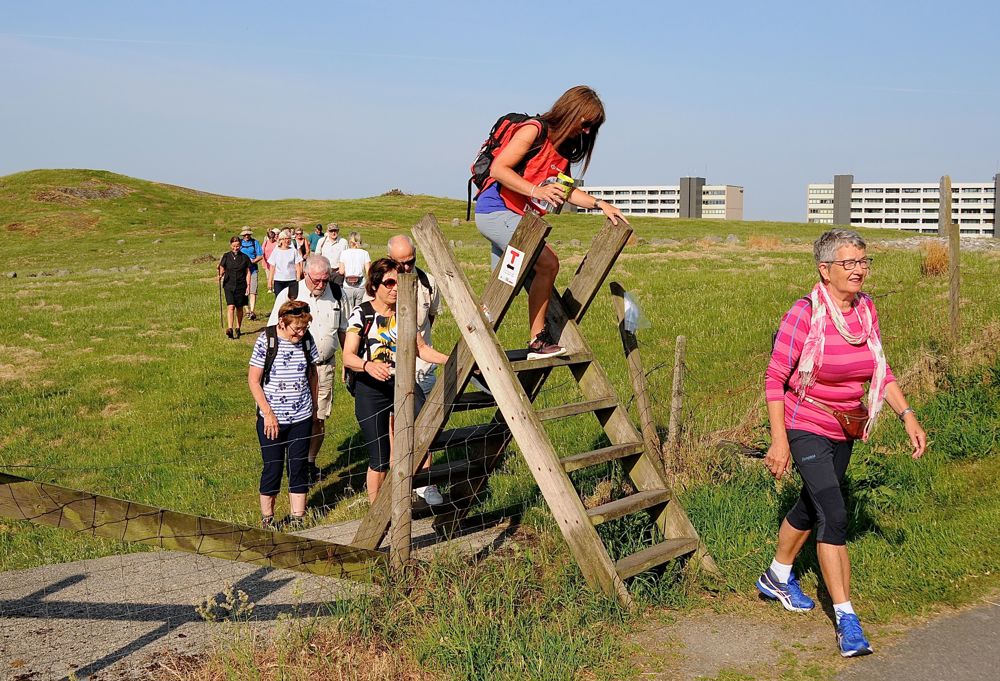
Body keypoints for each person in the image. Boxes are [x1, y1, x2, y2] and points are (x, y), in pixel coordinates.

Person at [761, 228, 927, 658]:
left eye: (863, 261)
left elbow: (880, 370)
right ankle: (847, 620)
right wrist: (779, 440)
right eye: (849, 263)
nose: (858, 270)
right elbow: (775, 377)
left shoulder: (866, 310)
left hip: (845, 427)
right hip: (805, 422)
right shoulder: (804, 313)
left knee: (814, 502)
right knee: (834, 512)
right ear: (825, 270)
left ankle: (777, 575)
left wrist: (906, 414)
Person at [474, 85, 628, 360]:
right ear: (571, 111)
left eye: (594, 127)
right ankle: (538, 340)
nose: (588, 132)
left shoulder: (562, 151)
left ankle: (476, 358)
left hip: (522, 222)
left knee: (502, 288)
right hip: (496, 211)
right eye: (586, 123)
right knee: (548, 263)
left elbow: (566, 190)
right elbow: (499, 168)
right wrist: (536, 191)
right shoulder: (534, 130)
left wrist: (599, 204)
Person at [342, 258, 449, 504]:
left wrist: (450, 359)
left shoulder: (406, 312)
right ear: (375, 285)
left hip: (403, 384)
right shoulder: (362, 313)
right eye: (389, 282)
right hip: (370, 389)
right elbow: (348, 356)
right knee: (379, 457)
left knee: (423, 431)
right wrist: (368, 366)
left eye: (398, 282)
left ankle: (425, 486)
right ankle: (377, 511)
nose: (395, 288)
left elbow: (421, 348)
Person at [269, 255, 347, 486]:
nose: (321, 285)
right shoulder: (290, 294)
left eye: (325, 279)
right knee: (291, 419)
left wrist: (348, 362)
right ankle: (291, 462)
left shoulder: (337, 293)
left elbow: (343, 330)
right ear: (305, 274)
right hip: (292, 369)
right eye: (316, 280)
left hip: (324, 367)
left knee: (318, 417)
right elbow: (273, 329)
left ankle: (309, 464)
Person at [248, 299, 319, 529]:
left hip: (301, 416)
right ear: (282, 322)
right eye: (296, 328)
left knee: (298, 467)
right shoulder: (266, 341)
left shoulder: (307, 340)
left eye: (304, 328)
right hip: (272, 419)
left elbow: (313, 374)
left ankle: (298, 519)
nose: (301, 332)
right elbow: (254, 381)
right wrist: (268, 414)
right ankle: (268, 520)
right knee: (273, 467)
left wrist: (314, 407)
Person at [218, 236, 252, 339]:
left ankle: (238, 327)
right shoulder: (226, 256)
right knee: (231, 306)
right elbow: (222, 267)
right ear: (230, 245)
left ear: (240, 246)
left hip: (241, 285)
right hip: (229, 285)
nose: (235, 248)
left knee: (239, 307)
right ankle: (230, 329)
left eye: (237, 246)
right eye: (233, 246)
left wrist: (248, 285)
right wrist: (220, 275)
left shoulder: (244, 257)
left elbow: (248, 272)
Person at [339, 231, 371, 316]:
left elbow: (341, 271)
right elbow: (369, 272)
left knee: (348, 309)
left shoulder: (344, 253)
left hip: (348, 285)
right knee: (359, 308)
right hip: (360, 285)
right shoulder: (365, 253)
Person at [267, 229, 304, 298]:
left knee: (292, 300)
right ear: (281, 240)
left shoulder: (293, 251)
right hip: (278, 280)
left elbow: (297, 266)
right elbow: (272, 267)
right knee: (279, 300)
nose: (288, 240)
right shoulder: (276, 251)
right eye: (286, 238)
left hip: (291, 280)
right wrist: (270, 281)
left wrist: (298, 279)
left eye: (289, 238)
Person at [239, 227, 264, 320]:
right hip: (241, 271)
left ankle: (252, 311)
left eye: (248, 234)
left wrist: (253, 261)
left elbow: (260, 255)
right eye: (245, 234)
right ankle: (247, 310)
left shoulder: (255, 242)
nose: (246, 236)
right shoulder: (240, 243)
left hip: (253, 269)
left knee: (253, 290)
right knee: (243, 291)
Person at [262, 228, 279, 294]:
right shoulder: (266, 242)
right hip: (267, 262)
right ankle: (270, 288)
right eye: (270, 238)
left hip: (275, 262)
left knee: (275, 275)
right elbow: (262, 251)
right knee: (268, 275)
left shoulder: (277, 243)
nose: (271, 239)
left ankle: (275, 287)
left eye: (272, 237)